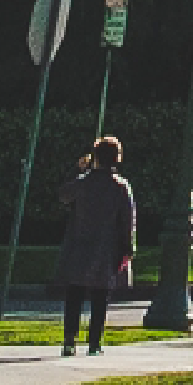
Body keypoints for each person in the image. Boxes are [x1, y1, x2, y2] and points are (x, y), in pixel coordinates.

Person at [58, 134, 139, 354]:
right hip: (107, 247)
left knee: (74, 293)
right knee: (100, 296)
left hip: (79, 244)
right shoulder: (120, 186)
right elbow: (128, 220)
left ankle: (69, 340)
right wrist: (128, 248)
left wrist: (79, 170)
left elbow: (64, 195)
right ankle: (94, 342)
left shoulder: (83, 182)